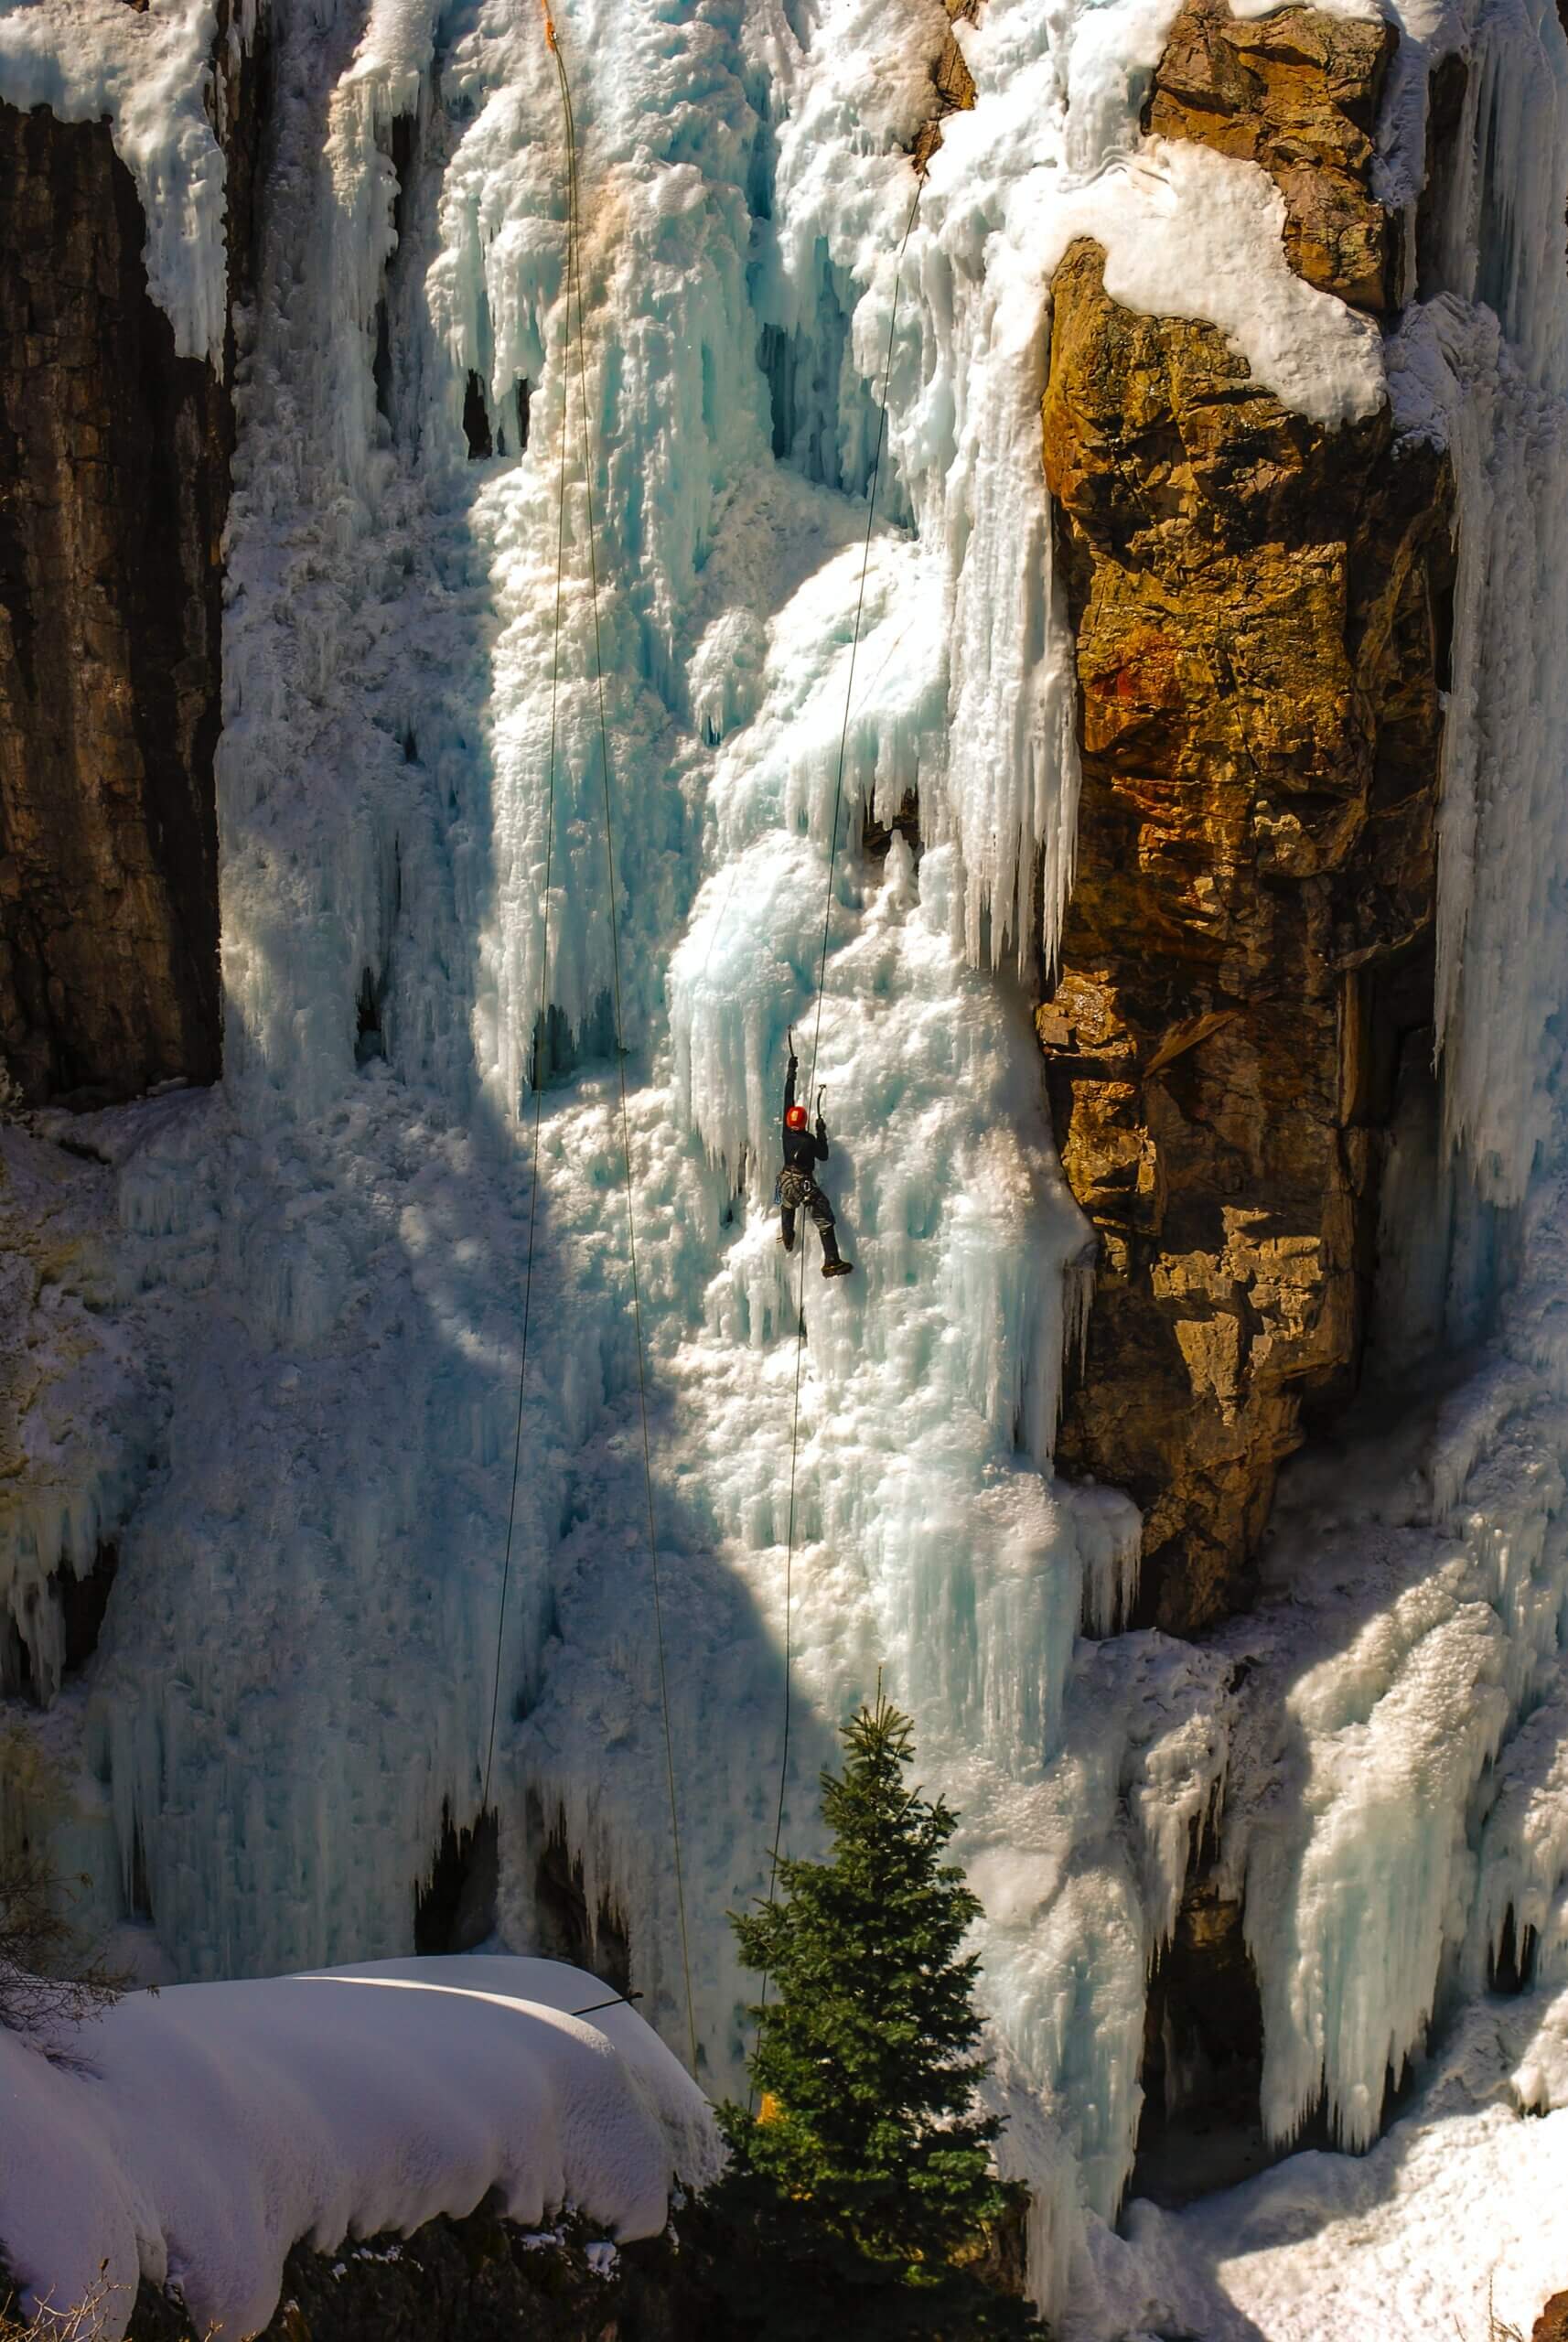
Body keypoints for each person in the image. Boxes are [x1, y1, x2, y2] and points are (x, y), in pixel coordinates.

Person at [778, 1033, 854, 1278]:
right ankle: (832, 1260)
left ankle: (788, 1236)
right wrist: (821, 1132)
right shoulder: (808, 1140)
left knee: (788, 1205)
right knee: (823, 1216)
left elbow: (787, 1098)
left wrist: (792, 1070)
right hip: (803, 1181)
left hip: (784, 1179)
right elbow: (824, 1156)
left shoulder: (785, 1132)